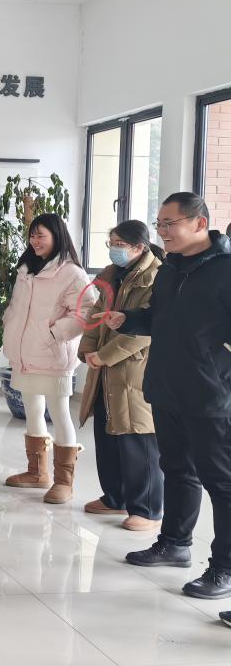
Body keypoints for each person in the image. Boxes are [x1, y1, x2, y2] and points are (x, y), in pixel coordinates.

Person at [98, 193, 231, 605]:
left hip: (210, 394)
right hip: (167, 387)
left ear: (199, 223)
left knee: (222, 483)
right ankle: (174, 543)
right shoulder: (170, 268)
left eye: (169, 224)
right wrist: (128, 319)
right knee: (176, 469)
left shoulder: (225, 270)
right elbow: (158, 319)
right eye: (159, 224)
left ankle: (224, 568)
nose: (162, 232)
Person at [77, 220, 164, 531]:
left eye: (119, 244)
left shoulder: (156, 277)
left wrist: (104, 355)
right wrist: (88, 350)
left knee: (137, 439)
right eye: (111, 243)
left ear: (139, 246)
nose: (113, 249)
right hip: (103, 368)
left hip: (134, 369)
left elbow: (146, 331)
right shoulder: (111, 274)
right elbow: (96, 314)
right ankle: (115, 497)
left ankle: (148, 510)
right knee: (107, 435)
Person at [2, 213, 93, 504]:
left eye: (41, 235)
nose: (35, 241)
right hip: (25, 352)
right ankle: (36, 472)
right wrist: (9, 323)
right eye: (32, 235)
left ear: (57, 236)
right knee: (32, 409)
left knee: (59, 412)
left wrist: (54, 334)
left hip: (52, 353)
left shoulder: (72, 273)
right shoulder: (27, 268)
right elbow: (18, 307)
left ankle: (64, 481)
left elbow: (85, 312)